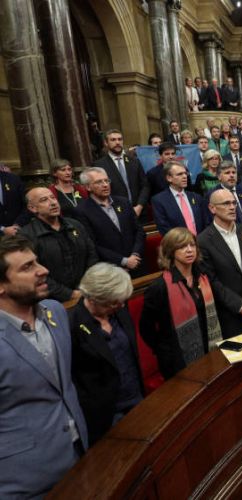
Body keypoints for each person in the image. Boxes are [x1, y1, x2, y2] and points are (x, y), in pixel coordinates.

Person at [0, 235, 88, 498]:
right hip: (23, 482)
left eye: (37, 261)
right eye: (27, 267)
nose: (43, 270)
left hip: (80, 458)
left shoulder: (55, 311)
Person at [69, 263, 143, 445]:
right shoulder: (72, 324)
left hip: (136, 399)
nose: (121, 305)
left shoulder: (118, 310)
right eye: (114, 302)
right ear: (93, 298)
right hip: (105, 413)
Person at [140, 228, 223, 379]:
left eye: (192, 245)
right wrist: (164, 349)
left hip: (209, 350)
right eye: (182, 246)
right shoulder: (159, 287)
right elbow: (146, 329)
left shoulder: (203, 278)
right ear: (171, 251)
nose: (189, 250)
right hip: (176, 360)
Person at [198, 189, 242, 337]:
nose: (232, 207)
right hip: (231, 316)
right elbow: (212, 281)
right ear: (212, 208)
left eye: (234, 203)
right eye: (226, 203)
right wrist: (241, 307)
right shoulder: (203, 240)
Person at [20, 187, 99, 302]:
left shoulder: (75, 225)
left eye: (53, 197)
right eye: (44, 200)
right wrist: (69, 294)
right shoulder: (26, 235)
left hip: (87, 292)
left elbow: (92, 256)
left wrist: (85, 287)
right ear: (32, 208)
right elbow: (34, 272)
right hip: (53, 301)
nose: (52, 203)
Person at [77, 167, 146, 277]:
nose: (105, 185)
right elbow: (92, 244)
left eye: (106, 180)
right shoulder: (82, 211)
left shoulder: (123, 202)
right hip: (111, 269)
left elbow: (139, 231)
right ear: (88, 187)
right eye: (99, 182)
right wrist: (123, 261)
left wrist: (135, 254)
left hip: (137, 263)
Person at [94, 129, 150, 217]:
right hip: (116, 213)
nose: (117, 142)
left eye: (120, 139)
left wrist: (139, 206)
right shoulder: (100, 165)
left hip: (140, 212)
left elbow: (145, 186)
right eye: (113, 140)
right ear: (106, 143)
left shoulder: (134, 161)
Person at [151, 161, 209, 236]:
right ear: (169, 178)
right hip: (178, 244)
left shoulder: (196, 197)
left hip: (201, 243)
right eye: (180, 174)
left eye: (185, 173)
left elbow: (206, 221)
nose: (185, 176)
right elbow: (164, 228)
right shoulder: (159, 201)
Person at [206, 161, 242, 232]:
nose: (231, 175)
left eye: (234, 172)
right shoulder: (213, 194)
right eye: (227, 173)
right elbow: (210, 219)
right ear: (219, 177)